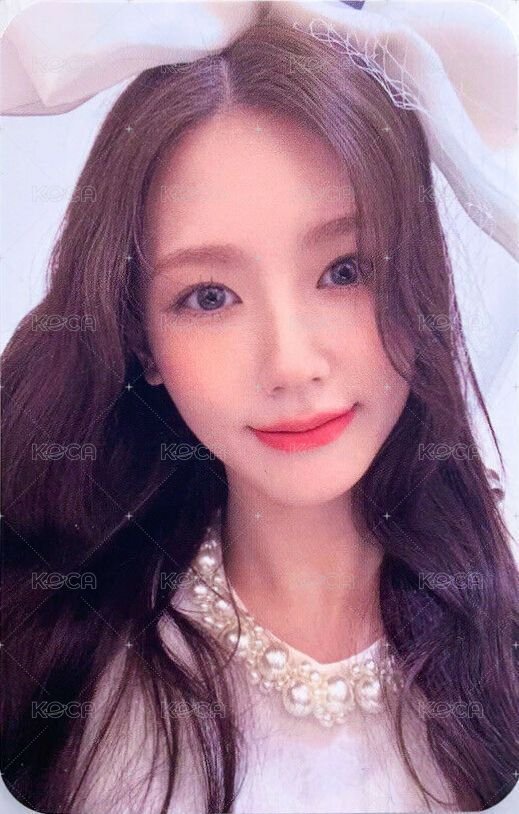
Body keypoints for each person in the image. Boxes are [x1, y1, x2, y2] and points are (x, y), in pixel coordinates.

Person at [1, 12, 518, 814]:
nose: (289, 364)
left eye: (345, 270)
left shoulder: (496, 641)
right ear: (141, 341)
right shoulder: (73, 681)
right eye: (209, 296)